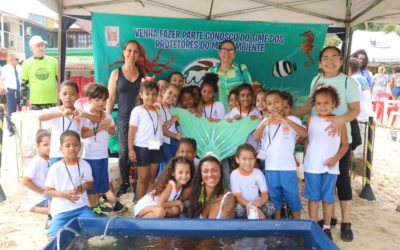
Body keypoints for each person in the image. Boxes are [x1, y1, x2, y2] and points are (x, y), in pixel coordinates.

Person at [292, 46, 360, 242]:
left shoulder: (348, 82)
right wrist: (291, 113)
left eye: (334, 57)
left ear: (341, 60)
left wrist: (340, 120)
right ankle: (328, 220)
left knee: (342, 180)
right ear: (320, 62)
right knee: (319, 185)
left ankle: (346, 222)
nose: (330, 61)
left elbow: (355, 110)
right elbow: (309, 106)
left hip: (339, 137)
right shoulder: (316, 80)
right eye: (326, 58)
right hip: (317, 136)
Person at [303, 86, 349, 240]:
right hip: (312, 166)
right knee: (313, 198)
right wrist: (305, 160)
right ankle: (314, 225)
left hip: (331, 168)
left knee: (328, 198)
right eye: (319, 103)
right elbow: (308, 141)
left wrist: (335, 159)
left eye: (326, 103)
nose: (322, 107)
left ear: (334, 103)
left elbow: (345, 145)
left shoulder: (339, 121)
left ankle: (327, 227)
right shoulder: (311, 120)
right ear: (314, 104)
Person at [253, 90, 307, 220]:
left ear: (284, 103)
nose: (274, 106)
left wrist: (285, 120)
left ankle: (297, 223)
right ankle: (277, 222)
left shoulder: (292, 119)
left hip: (288, 168)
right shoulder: (265, 121)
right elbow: (256, 137)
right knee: (275, 197)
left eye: (277, 101)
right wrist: (265, 123)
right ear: (266, 106)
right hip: (271, 168)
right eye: (269, 103)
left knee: (292, 196)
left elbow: (304, 134)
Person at [106, 40, 146, 197]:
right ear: (123, 52)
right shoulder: (116, 73)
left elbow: (145, 97)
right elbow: (110, 98)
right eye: (129, 50)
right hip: (123, 118)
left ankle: (137, 183)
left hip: (140, 120)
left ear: (138, 55)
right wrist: (108, 119)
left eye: (135, 51)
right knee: (123, 153)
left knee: (137, 152)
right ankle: (124, 183)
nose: (132, 54)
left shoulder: (142, 73)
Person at [45, 130, 95, 239]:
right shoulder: (55, 168)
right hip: (61, 211)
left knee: (95, 231)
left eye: (75, 145)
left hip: (82, 208)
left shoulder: (85, 165)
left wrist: (84, 186)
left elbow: (91, 183)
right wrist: (63, 194)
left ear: (80, 146)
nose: (72, 148)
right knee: (53, 238)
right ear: (61, 149)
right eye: (67, 146)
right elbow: (48, 190)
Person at [38, 80, 99, 165]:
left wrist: (84, 114)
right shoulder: (55, 110)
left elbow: (97, 119)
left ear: (78, 96)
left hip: (75, 154)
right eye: (64, 94)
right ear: (59, 95)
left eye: (72, 94)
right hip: (57, 154)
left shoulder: (81, 111)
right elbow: (40, 117)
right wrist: (61, 113)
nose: (68, 97)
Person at [80, 84, 116, 216]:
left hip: (103, 154)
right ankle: (93, 207)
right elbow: (84, 134)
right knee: (92, 184)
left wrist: (107, 126)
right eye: (97, 100)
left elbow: (113, 131)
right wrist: (101, 126)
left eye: (104, 100)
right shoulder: (85, 114)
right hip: (89, 155)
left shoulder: (106, 114)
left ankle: (97, 204)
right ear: (89, 99)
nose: (101, 103)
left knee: (101, 182)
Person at [128, 82, 164, 200]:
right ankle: (138, 203)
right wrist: (130, 149)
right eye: (147, 94)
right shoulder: (137, 110)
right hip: (142, 147)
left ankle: (148, 202)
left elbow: (160, 126)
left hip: (157, 146)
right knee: (143, 178)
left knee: (152, 177)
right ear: (141, 95)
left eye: (154, 94)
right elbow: (132, 131)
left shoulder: (158, 110)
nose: (151, 97)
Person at [230, 144, 274, 219]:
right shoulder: (234, 174)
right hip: (243, 203)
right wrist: (252, 207)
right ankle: (242, 226)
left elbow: (265, 194)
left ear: (255, 160)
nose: (248, 162)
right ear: (237, 160)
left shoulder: (258, 173)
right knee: (238, 210)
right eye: (244, 159)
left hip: (257, 203)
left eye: (251, 158)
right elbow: (238, 197)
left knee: (271, 208)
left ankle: (265, 225)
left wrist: (261, 202)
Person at [208, 40, 252, 110]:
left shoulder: (242, 69)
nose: (227, 52)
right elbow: (207, 94)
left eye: (230, 50)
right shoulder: (211, 71)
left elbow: (250, 91)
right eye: (224, 49)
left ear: (234, 54)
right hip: (217, 114)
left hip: (238, 113)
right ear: (219, 53)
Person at [22, 129, 52, 226]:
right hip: (41, 197)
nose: (49, 147)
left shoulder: (51, 159)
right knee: (60, 209)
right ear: (38, 146)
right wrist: (42, 192)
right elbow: (26, 181)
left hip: (50, 193)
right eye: (45, 145)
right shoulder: (36, 162)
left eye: (51, 144)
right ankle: (34, 208)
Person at [20, 35, 58, 110]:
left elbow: (60, 81)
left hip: (52, 102)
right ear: (31, 48)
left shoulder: (53, 61)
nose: (41, 48)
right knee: (37, 122)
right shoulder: (26, 64)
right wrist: (23, 104)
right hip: (35, 103)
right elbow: (23, 86)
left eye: (42, 45)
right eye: (38, 46)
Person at [156, 84, 182, 165]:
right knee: (167, 167)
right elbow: (161, 128)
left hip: (174, 142)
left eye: (175, 96)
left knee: (173, 165)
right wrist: (172, 120)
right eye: (170, 93)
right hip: (163, 142)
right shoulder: (157, 107)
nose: (171, 97)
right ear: (163, 92)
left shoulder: (173, 110)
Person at [1, 53, 21, 136]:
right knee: (11, 110)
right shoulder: (5, 68)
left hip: (20, 90)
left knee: (21, 108)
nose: (18, 61)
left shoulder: (20, 67)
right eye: (16, 59)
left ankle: (20, 126)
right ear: (11, 59)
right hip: (10, 91)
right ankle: (10, 129)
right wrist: (3, 87)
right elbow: (2, 79)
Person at [348, 58, 373, 122]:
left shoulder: (351, 80)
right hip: (367, 113)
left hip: (359, 117)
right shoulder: (362, 78)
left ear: (349, 68)